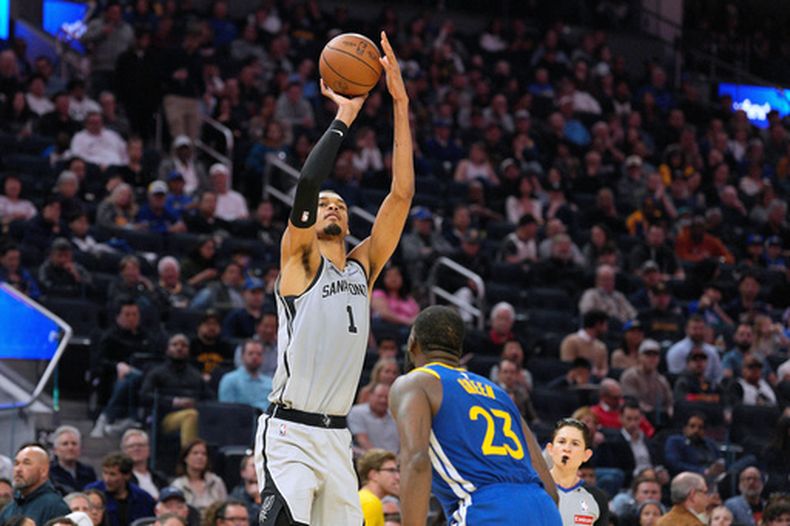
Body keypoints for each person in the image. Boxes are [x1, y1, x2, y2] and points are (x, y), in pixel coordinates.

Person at [254, 33, 414, 526]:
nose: (331, 206)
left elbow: (401, 196)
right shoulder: (299, 262)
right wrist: (345, 115)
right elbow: (307, 184)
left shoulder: (363, 269)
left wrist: (400, 104)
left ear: (347, 223)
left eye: (340, 205)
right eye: (325, 204)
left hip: (336, 436)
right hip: (289, 434)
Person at [389, 306, 560, 525]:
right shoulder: (499, 393)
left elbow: (417, 461)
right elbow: (548, 483)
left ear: (413, 342)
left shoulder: (416, 382)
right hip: (543, 509)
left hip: (488, 509)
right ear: (458, 350)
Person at [140, 334, 213, 447]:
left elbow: (210, 397)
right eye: (175, 345)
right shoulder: (157, 372)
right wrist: (173, 401)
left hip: (195, 413)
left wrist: (196, 403)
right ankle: (188, 456)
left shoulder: (195, 374)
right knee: (191, 415)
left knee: (194, 415)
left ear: (188, 350)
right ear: (167, 349)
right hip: (163, 417)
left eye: (184, 345)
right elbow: (144, 396)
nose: (179, 348)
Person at [546, 418, 610, 526]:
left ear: (586, 455)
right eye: (561, 442)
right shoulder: (533, 488)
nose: (567, 448)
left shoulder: (597, 498)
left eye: (575, 444)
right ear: (550, 449)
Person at [0, 444, 70, 524]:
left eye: (26, 463)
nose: (18, 469)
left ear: (43, 471)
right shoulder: (9, 509)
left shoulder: (56, 508)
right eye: (16, 463)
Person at [84, 453, 155, 526]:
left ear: (127, 475)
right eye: (105, 473)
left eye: (112, 474)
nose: (107, 479)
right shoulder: (93, 492)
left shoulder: (143, 498)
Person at [170, 440, 227, 514]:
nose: (200, 457)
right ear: (185, 458)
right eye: (195, 453)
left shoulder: (216, 482)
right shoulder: (177, 485)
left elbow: (225, 509)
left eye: (204, 454)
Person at [620, 339, 673, 417]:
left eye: (655, 355)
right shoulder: (630, 376)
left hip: (658, 418)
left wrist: (669, 411)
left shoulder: (661, 380)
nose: (652, 358)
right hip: (636, 417)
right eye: (648, 355)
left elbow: (669, 403)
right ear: (640, 356)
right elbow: (629, 401)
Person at [666, 316, 724, 383]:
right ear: (686, 330)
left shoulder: (712, 351)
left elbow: (718, 376)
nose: (698, 332)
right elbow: (674, 378)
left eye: (701, 328)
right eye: (695, 329)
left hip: (708, 390)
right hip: (684, 388)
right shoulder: (676, 351)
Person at [218, 340, 272, 411]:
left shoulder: (270, 382)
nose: (255, 357)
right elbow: (227, 411)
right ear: (242, 356)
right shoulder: (229, 380)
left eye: (259, 354)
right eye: (250, 353)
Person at [348, 383, 399, 454]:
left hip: (395, 459)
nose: (383, 400)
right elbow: (362, 440)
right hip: (368, 458)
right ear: (370, 396)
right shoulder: (357, 412)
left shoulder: (396, 415)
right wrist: (382, 458)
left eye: (386, 397)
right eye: (379, 396)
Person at [560, 310, 609, 379]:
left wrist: (601, 373)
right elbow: (567, 364)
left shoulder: (601, 347)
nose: (606, 329)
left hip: (595, 381)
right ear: (598, 324)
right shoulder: (571, 341)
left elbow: (604, 369)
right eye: (605, 325)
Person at [120, 429, 168, 500]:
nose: (136, 448)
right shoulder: (121, 479)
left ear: (148, 450)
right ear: (124, 451)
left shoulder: (159, 478)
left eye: (141, 445)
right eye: (131, 446)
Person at [356, 449, 400, 526]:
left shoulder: (366, 499)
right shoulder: (370, 503)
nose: (397, 477)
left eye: (397, 471)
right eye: (391, 470)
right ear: (373, 475)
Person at [49, 426, 96, 495]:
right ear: (55, 450)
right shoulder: (49, 472)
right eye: (65, 444)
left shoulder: (88, 472)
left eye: (74, 444)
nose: (70, 448)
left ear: (80, 448)